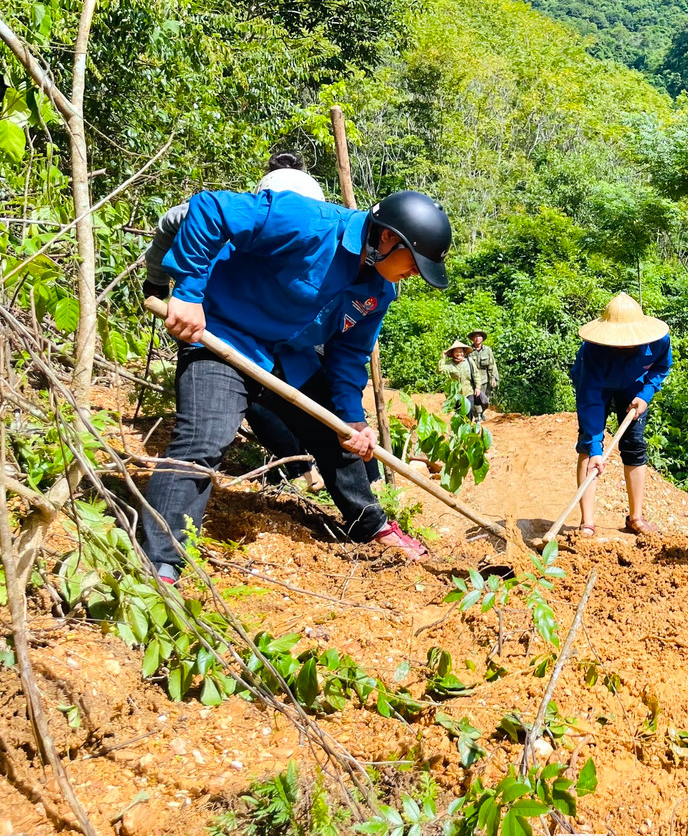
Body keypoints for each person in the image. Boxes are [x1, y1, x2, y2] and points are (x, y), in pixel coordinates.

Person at [138, 180, 453, 581]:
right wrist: (189, 291)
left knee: (335, 435)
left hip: (289, 356)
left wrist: (353, 419)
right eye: (413, 263)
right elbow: (211, 210)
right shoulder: (308, 222)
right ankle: (162, 562)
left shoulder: (380, 291)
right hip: (222, 336)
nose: (412, 275)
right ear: (388, 238)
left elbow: (349, 353)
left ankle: (369, 525)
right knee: (204, 438)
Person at [143, 157, 331, 494]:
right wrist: (162, 285)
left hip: (290, 331)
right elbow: (172, 223)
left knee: (318, 402)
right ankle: (302, 468)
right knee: (252, 403)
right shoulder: (239, 217)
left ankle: (349, 478)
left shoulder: (320, 235)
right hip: (224, 325)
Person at [570, 292, 671, 537]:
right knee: (588, 445)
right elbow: (590, 399)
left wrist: (646, 396)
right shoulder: (593, 350)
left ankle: (636, 518)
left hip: (634, 389)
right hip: (597, 386)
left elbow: (661, 367)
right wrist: (596, 449)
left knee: (634, 444)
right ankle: (588, 522)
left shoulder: (658, 340)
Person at [438, 340, 480, 414]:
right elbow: (439, 370)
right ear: (453, 353)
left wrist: (477, 387)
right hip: (456, 394)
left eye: (461, 351)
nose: (459, 353)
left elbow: (476, 374)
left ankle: (469, 425)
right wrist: (443, 358)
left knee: (469, 410)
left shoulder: (469, 361)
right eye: (456, 352)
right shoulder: (449, 364)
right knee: (459, 414)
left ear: (464, 352)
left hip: (468, 392)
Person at [467, 328, 499, 421]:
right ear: (472, 338)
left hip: (484, 378)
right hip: (472, 379)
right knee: (475, 398)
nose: (477, 338)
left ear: (482, 338)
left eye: (479, 336)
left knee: (484, 399)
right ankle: (477, 415)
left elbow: (492, 365)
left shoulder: (487, 350)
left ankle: (481, 412)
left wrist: (493, 378)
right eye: (475, 336)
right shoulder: (469, 350)